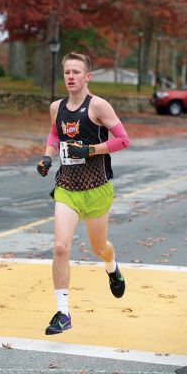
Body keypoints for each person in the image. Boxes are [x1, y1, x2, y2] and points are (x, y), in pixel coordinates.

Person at [37, 52, 130, 336]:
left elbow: (123, 140)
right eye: (67, 72)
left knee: (98, 247)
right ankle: (63, 313)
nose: (71, 77)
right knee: (60, 247)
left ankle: (111, 266)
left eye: (77, 72)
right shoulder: (57, 107)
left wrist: (89, 150)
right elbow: (55, 135)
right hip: (67, 187)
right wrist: (47, 157)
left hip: (97, 188)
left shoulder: (99, 106)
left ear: (87, 76)